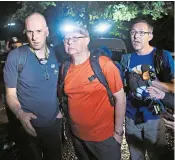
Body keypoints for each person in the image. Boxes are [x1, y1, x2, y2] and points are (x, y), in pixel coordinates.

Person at [61, 24, 126, 160]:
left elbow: (120, 98)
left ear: (87, 40)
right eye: (66, 39)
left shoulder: (104, 64)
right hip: (78, 137)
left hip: (104, 139)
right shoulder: (65, 67)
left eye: (75, 38)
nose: (69, 42)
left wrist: (118, 132)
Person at [3, 13, 62, 160]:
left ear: (47, 31)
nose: (34, 37)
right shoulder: (16, 56)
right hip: (27, 126)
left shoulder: (57, 54)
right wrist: (20, 114)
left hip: (53, 125)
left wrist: (62, 111)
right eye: (30, 32)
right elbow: (10, 95)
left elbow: (63, 86)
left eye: (39, 31)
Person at [120, 19, 174, 160]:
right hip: (131, 117)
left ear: (150, 36)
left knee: (157, 155)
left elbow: (174, 87)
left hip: (154, 117)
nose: (135, 36)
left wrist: (155, 84)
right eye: (132, 32)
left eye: (141, 33)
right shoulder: (126, 59)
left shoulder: (163, 56)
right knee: (135, 156)